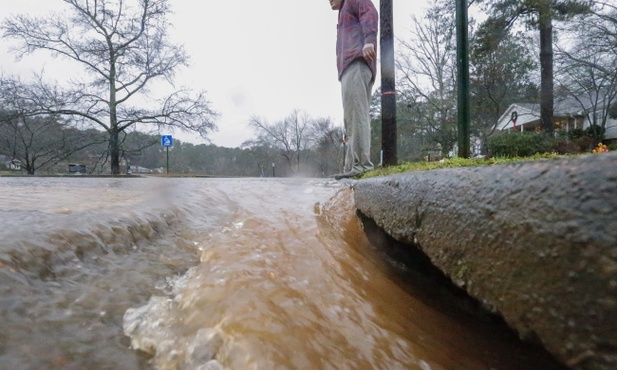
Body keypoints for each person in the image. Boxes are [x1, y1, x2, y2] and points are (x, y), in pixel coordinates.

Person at [329, 0, 378, 180]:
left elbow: (370, 13)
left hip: (356, 63)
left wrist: (369, 41)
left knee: (357, 114)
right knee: (351, 118)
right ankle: (352, 166)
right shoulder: (343, 10)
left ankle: (362, 166)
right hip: (349, 67)